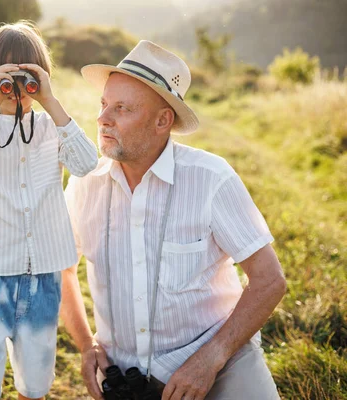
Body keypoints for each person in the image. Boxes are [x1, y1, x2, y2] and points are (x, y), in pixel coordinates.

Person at [61, 40, 287, 400]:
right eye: (104, 104)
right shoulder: (83, 184)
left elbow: (269, 280)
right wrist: (87, 345)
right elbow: (62, 269)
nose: (103, 118)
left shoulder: (211, 178)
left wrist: (210, 359)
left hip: (221, 358)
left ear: (162, 120)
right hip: (126, 377)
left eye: (122, 108)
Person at [0, 21, 98, 400]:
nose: (16, 85)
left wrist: (49, 101)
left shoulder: (49, 127)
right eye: (6, 76)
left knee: (34, 385)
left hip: (43, 276)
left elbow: (86, 163)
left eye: (28, 74)